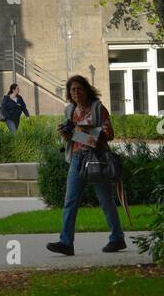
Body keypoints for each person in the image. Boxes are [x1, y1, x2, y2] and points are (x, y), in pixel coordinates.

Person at [47, 75, 126, 256]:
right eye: (72, 89)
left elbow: (109, 134)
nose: (76, 92)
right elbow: (72, 138)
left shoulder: (98, 108)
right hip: (76, 158)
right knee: (70, 201)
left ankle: (117, 238)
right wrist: (66, 135)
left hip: (97, 158)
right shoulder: (69, 111)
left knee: (106, 200)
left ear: (87, 89)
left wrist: (79, 133)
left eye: (79, 88)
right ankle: (66, 242)